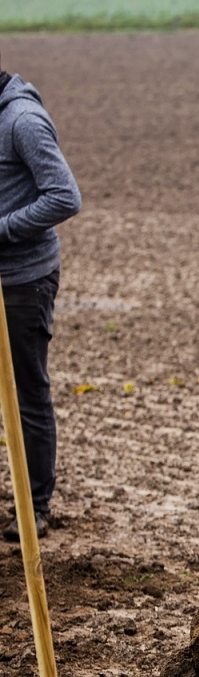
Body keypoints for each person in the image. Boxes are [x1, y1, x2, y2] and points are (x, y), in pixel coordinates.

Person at [0, 51, 80, 541]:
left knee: (28, 391)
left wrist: (2, 230)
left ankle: (35, 506)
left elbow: (65, 196)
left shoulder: (23, 121)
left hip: (22, 281)